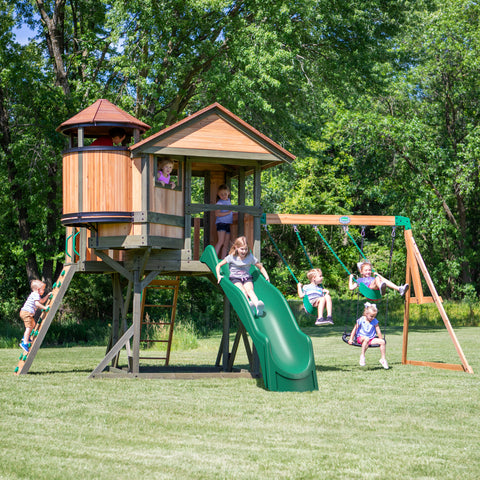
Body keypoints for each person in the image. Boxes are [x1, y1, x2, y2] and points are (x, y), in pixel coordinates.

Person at [215, 236, 270, 316]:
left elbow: (260, 267)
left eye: (246, 249)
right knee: (243, 291)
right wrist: (218, 275)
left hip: (247, 278)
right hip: (235, 278)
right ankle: (249, 305)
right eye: (242, 249)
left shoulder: (250, 257)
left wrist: (266, 276)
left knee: (250, 291)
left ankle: (257, 306)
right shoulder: (231, 257)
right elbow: (218, 265)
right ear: (236, 247)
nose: (244, 251)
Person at [348, 302, 389, 369]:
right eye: (371, 316)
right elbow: (355, 329)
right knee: (366, 338)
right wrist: (351, 339)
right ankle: (362, 356)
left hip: (371, 339)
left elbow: (378, 331)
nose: (373, 318)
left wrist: (381, 339)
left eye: (374, 316)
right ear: (366, 314)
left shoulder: (374, 321)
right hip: (361, 338)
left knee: (383, 342)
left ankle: (383, 359)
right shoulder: (361, 319)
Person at [19, 280, 49, 353]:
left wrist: (47, 296)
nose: (44, 291)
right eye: (43, 289)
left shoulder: (35, 295)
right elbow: (37, 304)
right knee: (29, 327)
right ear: (38, 289)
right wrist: (44, 308)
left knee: (33, 324)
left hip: (26, 312)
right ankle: (24, 343)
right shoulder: (35, 294)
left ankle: (26, 338)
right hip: (27, 313)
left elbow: (41, 301)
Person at [214, 184, 233, 258]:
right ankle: (214, 258)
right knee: (221, 241)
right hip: (221, 223)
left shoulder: (229, 201)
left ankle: (223, 260)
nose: (224, 195)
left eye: (225, 194)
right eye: (221, 194)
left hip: (228, 223)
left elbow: (230, 212)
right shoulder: (219, 203)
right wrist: (229, 212)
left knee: (226, 244)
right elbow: (217, 213)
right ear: (218, 195)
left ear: (228, 193)